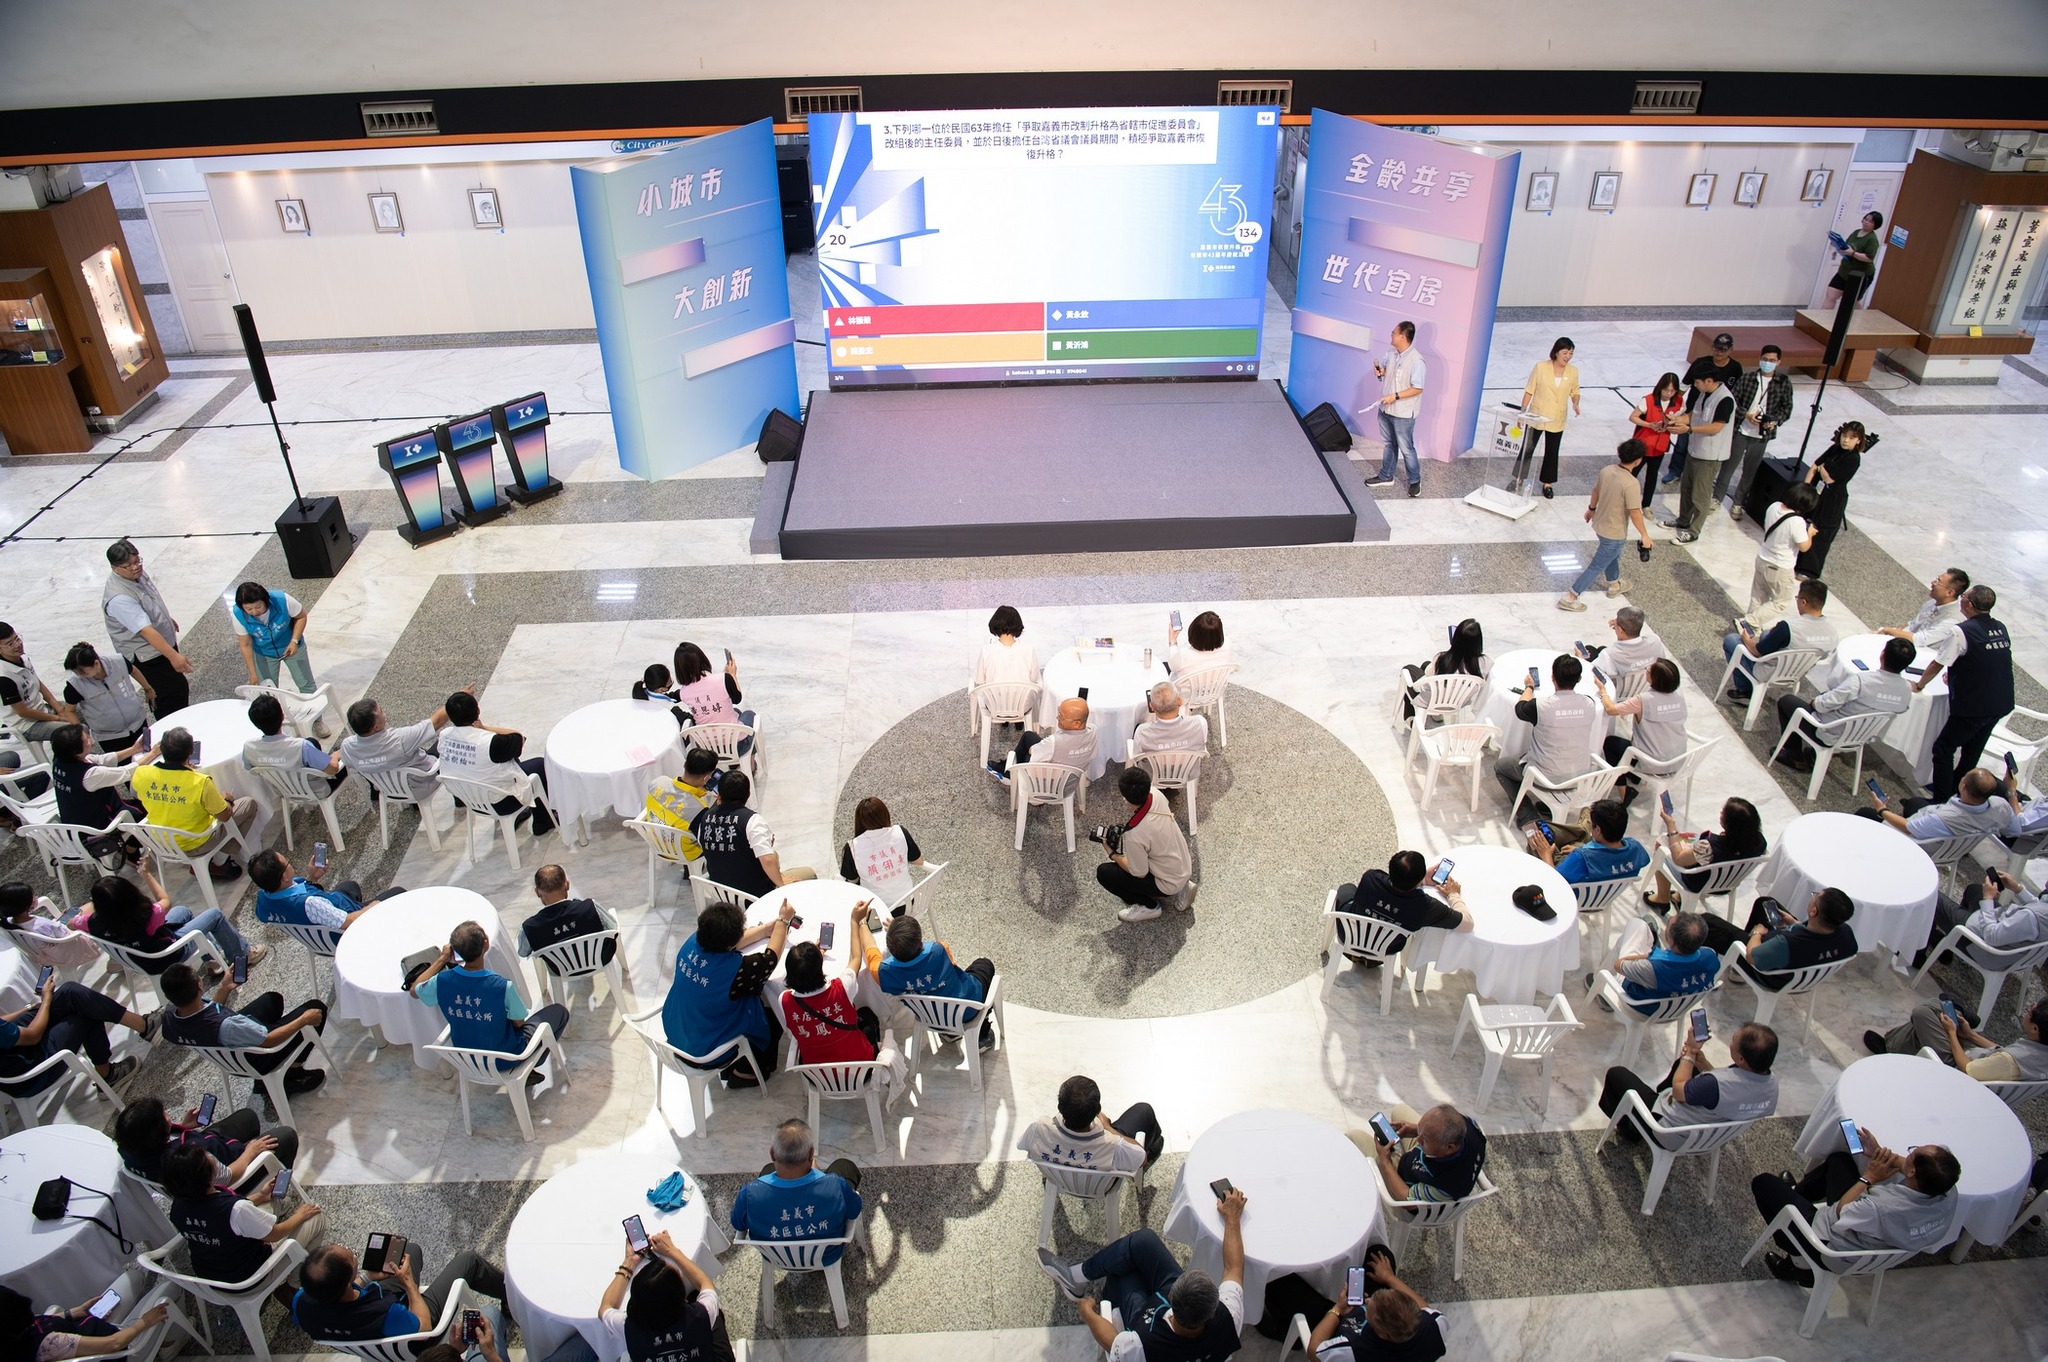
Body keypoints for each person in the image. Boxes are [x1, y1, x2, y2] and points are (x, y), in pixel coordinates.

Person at [1039, 1186, 1247, 1362]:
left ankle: (1077, 1279)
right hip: (1180, 1321)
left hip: (1144, 1317)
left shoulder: (1141, 1347)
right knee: (1143, 1241)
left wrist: (1088, 1313)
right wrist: (1232, 1219)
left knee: (1121, 1272)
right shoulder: (1229, 1316)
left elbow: (1112, 1342)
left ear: (1170, 1297)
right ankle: (1076, 1276)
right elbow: (1234, 1268)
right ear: (1213, 1308)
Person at [1749, 1135, 1958, 1285]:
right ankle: (1797, 1195)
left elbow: (1841, 1212)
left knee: (1763, 1183)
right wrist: (1879, 1153)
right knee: (1839, 1161)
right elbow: (1909, 1167)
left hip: (1831, 1245)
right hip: (1872, 1240)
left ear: (1912, 1173)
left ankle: (1797, 1264)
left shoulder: (1879, 1209)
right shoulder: (1947, 1190)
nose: (1909, 1153)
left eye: (1913, 1152)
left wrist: (1869, 1177)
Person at [410, 920, 570, 1066]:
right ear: (485, 943)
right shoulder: (502, 986)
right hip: (506, 1058)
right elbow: (519, 1023)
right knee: (559, 1012)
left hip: (469, 1059)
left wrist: (442, 959)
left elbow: (414, 990)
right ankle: (529, 1065)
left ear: (454, 951)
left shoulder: (441, 981)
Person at [661, 899, 788, 1083]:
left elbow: (730, 943)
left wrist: (764, 930)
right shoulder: (735, 970)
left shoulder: (693, 942)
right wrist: (783, 921)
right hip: (704, 1049)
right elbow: (770, 959)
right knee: (772, 1015)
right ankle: (745, 1072)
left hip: (677, 1029)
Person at [161, 1141, 323, 1283]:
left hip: (211, 1277)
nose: (211, 1157)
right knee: (316, 1217)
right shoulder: (237, 1209)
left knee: (272, 1202)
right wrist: (300, 1216)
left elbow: (220, 1218)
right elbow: (275, 1234)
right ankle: (294, 1281)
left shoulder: (177, 1208)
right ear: (209, 1173)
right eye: (207, 1157)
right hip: (252, 1277)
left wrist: (260, 1196)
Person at [293, 1239, 508, 1343]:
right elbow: (423, 1328)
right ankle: (511, 1300)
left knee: (409, 1251)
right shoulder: (384, 1313)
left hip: (364, 1335)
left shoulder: (301, 1301)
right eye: (353, 1257)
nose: (353, 1253)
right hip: (420, 1326)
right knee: (470, 1261)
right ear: (348, 1278)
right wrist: (408, 1284)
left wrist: (367, 1278)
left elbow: (340, 1301)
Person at [161, 960, 328, 1095]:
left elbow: (204, 1020)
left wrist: (225, 987)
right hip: (253, 1059)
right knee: (316, 1008)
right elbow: (269, 1041)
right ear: (200, 986)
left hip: (226, 1051)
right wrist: (303, 1020)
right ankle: (292, 1075)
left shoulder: (169, 1018)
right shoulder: (229, 1025)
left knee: (273, 1000)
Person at [1599, 1021, 1780, 1145]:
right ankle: (1655, 1098)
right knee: (1685, 1066)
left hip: (1670, 1131)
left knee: (1617, 1074)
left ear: (1740, 1059)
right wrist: (1702, 1063)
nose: (1730, 1044)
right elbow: (1728, 1089)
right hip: (1711, 1133)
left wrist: (1690, 1053)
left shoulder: (1712, 1085)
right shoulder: (1771, 1085)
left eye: (1733, 1041)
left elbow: (1679, 1091)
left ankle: (1631, 1131)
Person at [1919, 585, 2014, 804]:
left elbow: (1937, 663)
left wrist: (1920, 684)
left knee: (1943, 748)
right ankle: (1958, 792)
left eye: (1963, 597)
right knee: (1972, 750)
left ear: (1969, 604)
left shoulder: (1961, 631)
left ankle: (1941, 801)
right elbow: (1987, 661)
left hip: (1974, 706)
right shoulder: (2000, 628)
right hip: (2001, 702)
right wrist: (1958, 674)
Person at [132, 726, 261, 881]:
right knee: (248, 804)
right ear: (191, 751)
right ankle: (220, 861)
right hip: (196, 843)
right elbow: (225, 816)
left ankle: (216, 860)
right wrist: (226, 799)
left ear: (162, 750)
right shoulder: (199, 782)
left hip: (162, 842)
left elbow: (137, 794)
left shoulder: (142, 773)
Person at [79, 868, 260, 977]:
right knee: (215, 915)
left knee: (182, 912)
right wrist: (146, 873)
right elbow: (164, 900)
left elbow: (73, 921)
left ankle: (212, 961)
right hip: (169, 954)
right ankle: (242, 956)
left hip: (140, 961)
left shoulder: (91, 923)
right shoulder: (147, 915)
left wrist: (100, 901)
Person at [728, 1119, 863, 1262]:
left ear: (772, 1153)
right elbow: (854, 1210)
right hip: (827, 1255)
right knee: (844, 1166)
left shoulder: (749, 1193)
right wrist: (819, 1176)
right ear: (811, 1154)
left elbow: (738, 1224)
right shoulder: (836, 1185)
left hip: (775, 1257)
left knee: (768, 1169)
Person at [779, 937, 903, 1092]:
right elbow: (855, 958)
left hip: (817, 1077)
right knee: (866, 1014)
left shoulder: (784, 1000)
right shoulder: (841, 988)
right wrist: (855, 924)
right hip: (861, 1071)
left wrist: (809, 963)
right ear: (820, 968)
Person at [1774, 634, 1914, 771]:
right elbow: (1900, 708)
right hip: (1860, 736)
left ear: (1882, 655)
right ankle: (1813, 756)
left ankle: (1795, 756)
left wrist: (1814, 702)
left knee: (1787, 701)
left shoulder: (1861, 682)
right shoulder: (1906, 690)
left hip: (1829, 731)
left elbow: (1823, 705)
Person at [597, 1226, 733, 1362]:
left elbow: (605, 1309)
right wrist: (672, 1251)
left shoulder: (627, 1326)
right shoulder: (702, 1314)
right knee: (704, 1303)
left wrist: (630, 1261)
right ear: (681, 1296)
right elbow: (705, 1284)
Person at [859, 913, 997, 1047]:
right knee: (984, 964)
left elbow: (871, 953)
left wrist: (862, 923)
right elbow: (941, 955)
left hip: (931, 1019)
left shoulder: (885, 973)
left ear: (890, 949)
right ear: (920, 943)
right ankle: (982, 1035)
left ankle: (949, 1034)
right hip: (969, 1009)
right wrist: (905, 937)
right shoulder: (940, 949)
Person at [0, 972, 153, 1092]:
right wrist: (46, 999)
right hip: (29, 1072)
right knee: (85, 1012)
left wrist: (30, 1007)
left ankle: (144, 1025)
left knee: (70, 992)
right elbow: (33, 1035)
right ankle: (108, 1074)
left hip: (14, 1049)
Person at [1493, 653, 1600, 819]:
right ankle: (1546, 807)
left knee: (1501, 767)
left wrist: (1529, 687)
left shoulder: (1541, 706)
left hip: (1545, 776)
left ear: (1552, 678)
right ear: (1579, 679)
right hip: (1580, 774)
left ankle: (1527, 814)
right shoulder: (1590, 703)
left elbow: (1520, 708)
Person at [438, 690, 555, 836]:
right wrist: (484, 728)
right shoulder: (491, 742)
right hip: (500, 803)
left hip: (469, 799)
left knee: (509, 758)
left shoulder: (444, 736)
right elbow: (519, 737)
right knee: (539, 764)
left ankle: (527, 816)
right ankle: (542, 822)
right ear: (478, 710)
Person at [115, 1093, 300, 1185]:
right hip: (226, 1171)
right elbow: (228, 1177)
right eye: (164, 1116)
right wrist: (250, 1152)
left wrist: (184, 1127)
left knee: (248, 1117)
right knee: (288, 1136)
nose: (167, 1114)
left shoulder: (130, 1151)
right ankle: (277, 1189)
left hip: (208, 1148)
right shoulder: (192, 1157)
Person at [1558, 439, 1654, 612]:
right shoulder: (1631, 483)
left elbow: (1596, 491)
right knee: (1597, 565)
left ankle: (1614, 585)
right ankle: (1570, 597)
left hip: (1600, 524)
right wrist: (1645, 535)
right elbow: (1634, 512)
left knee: (1611, 555)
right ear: (1638, 460)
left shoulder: (1607, 470)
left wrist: (1591, 509)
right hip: (1614, 531)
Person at [101, 539, 190, 718]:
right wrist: (174, 656)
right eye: (128, 565)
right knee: (170, 693)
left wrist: (165, 620)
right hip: (147, 655)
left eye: (137, 561)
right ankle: (170, 728)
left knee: (177, 689)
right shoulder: (119, 598)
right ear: (115, 568)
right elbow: (145, 630)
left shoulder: (135, 574)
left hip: (160, 641)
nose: (136, 567)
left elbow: (150, 599)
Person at [1094, 766, 1194, 923]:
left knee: (1104, 873)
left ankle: (1149, 906)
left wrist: (1113, 854)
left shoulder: (1135, 834)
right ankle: (1183, 886)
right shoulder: (1157, 794)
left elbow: (1139, 873)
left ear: (1125, 798)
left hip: (1167, 882)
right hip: (1183, 864)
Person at [1865, 997, 2048, 1083]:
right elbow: (2000, 1052)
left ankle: (1890, 1048)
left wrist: (1952, 1034)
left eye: (2029, 1011)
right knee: (1940, 1015)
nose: (2026, 1011)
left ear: (2035, 1028)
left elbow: (1967, 1069)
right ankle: (1956, 1009)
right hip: (1978, 1063)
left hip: (1955, 1071)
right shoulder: (2038, 1053)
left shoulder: (2011, 1060)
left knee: (1924, 1013)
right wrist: (1971, 1035)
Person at [689, 770, 812, 898]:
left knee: (772, 854)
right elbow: (768, 860)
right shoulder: (752, 821)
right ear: (748, 794)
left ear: (719, 794)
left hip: (721, 893)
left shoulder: (705, 817)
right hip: (755, 895)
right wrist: (781, 883)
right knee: (809, 873)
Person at [1701, 887, 1857, 987]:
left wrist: (1757, 933)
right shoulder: (1847, 934)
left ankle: (1713, 970)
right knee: (1765, 903)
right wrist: (1795, 924)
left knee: (1707, 921)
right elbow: (1816, 942)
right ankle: (1736, 970)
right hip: (1801, 972)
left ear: (1813, 911)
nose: (1813, 897)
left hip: (1772, 975)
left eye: (1815, 896)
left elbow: (1751, 956)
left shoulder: (1787, 943)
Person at [1332, 849, 1471, 957]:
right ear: (1419, 879)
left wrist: (1419, 880)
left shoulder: (1371, 878)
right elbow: (1467, 924)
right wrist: (1453, 894)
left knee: (1347, 888)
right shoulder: (1424, 906)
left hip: (1348, 936)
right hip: (1387, 949)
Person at [1018, 1073, 1164, 1172]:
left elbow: (1021, 1144)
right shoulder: (1113, 1145)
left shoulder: (1038, 1129)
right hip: (1103, 1186)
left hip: (1058, 1179)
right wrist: (1108, 1128)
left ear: (1060, 1107)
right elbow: (1141, 1159)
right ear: (1098, 1111)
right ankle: (1153, 1147)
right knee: (1144, 1110)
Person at [1722, 578, 1837, 701]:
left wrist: (1746, 639)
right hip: (1796, 672)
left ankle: (1745, 691)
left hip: (1770, 672)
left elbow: (1756, 652)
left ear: (1803, 602)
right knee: (1767, 634)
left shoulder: (1788, 627)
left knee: (1731, 640)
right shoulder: (1832, 632)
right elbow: (1823, 655)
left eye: (1797, 598)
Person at [1645, 797, 1768, 911]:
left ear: (1729, 823)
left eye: (1723, 813)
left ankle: (1662, 898)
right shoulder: (1760, 842)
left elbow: (1678, 859)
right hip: (1727, 884)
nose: (1721, 813)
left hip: (1698, 883)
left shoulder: (1708, 847)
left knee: (1661, 847)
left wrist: (1671, 825)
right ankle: (1678, 897)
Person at [1716, 344, 1795, 518]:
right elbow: (1733, 400)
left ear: (1778, 362)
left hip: (1761, 435)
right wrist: (1746, 414)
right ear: (1760, 359)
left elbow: (1787, 408)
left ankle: (1738, 503)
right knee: (1728, 467)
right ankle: (1716, 498)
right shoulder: (1748, 378)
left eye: (1772, 360)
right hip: (1741, 430)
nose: (1768, 363)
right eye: (1765, 359)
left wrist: (1774, 421)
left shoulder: (1783, 383)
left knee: (1749, 472)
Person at [1915, 866, 2048, 969]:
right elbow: (2039, 905)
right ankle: (1950, 941)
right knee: (1974, 890)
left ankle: (1918, 955)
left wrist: (1988, 899)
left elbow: (1991, 936)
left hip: (1984, 947)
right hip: (2006, 935)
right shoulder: (2039, 913)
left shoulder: (2030, 917)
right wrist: (2018, 888)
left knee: (1931, 897)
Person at [1352, 1103, 1488, 1203]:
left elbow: (1405, 1197)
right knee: (1399, 1109)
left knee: (1355, 1137)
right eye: (1420, 1133)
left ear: (1449, 1147)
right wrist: (1415, 1129)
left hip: (1406, 1184)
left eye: (1425, 1139)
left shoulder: (1444, 1185)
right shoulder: (1469, 1125)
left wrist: (1385, 1161)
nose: (1418, 1139)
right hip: (1425, 1156)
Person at [1590, 910, 1720, 1014]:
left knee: (1636, 925)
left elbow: (1618, 964)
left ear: (1672, 941)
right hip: (1675, 1008)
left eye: (1668, 924)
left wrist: (1649, 955)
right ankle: (1652, 942)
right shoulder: (1710, 956)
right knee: (1639, 930)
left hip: (1639, 1006)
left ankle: (1600, 986)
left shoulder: (1653, 968)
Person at [0, 1284, 170, 1362]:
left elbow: (42, 1320)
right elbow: (114, 1343)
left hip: (96, 1331)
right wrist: (145, 1321)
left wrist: (76, 1312)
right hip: (126, 1350)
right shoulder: (51, 1343)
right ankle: (169, 1347)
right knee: (167, 1288)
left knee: (134, 1277)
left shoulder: (13, 1336)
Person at [1661, 333, 1742, 488]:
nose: (1719, 352)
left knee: (1705, 449)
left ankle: (1703, 476)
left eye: (1723, 350)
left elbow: (1717, 425)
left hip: (1715, 414)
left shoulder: (1734, 370)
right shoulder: (1700, 364)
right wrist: (1675, 409)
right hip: (1694, 411)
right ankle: (1676, 471)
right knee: (1682, 444)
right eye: (1716, 348)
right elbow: (1684, 385)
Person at [340, 690, 462, 792]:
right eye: (381, 712)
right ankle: (459, 798)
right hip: (421, 785)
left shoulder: (347, 747)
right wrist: (457, 699)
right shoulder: (400, 739)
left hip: (387, 788)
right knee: (447, 741)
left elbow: (351, 764)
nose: (384, 714)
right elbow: (436, 722)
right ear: (375, 727)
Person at [252, 848, 398, 932]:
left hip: (317, 928)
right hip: (345, 931)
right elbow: (349, 921)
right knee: (397, 893)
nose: (290, 864)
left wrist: (312, 878)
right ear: (284, 877)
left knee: (349, 886)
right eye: (287, 863)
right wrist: (373, 907)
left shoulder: (263, 900)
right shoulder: (310, 904)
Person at [1666, 368, 1736, 543]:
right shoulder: (1703, 394)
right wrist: (1677, 420)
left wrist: (1689, 429)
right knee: (1687, 488)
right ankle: (1683, 520)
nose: (1695, 385)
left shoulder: (1725, 399)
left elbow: (1716, 427)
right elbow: (1693, 415)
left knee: (1700, 495)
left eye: (1697, 382)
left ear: (1709, 381)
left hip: (1710, 455)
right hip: (1695, 449)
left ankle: (1694, 531)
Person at [47, 722, 149, 838]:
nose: (91, 741)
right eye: (87, 740)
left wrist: (133, 749)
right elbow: (126, 773)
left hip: (75, 818)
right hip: (97, 826)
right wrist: (153, 753)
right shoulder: (89, 775)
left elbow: (101, 760)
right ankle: (134, 846)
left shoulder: (60, 759)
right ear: (77, 752)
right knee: (151, 811)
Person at [1796, 422, 1869, 579]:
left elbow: (1829, 479)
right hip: (1818, 493)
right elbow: (1814, 466)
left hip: (1833, 500)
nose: (1846, 440)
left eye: (1851, 438)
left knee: (1821, 534)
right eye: (1844, 436)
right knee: (1805, 523)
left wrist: (1822, 468)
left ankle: (1808, 570)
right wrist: (1805, 488)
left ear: (1858, 440)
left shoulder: (1853, 459)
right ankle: (1796, 559)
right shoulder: (1835, 448)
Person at [1864, 766, 2016, 841]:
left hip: (1916, 840)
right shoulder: (2001, 805)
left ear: (1963, 786)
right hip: (1954, 840)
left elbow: (1908, 828)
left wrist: (1882, 810)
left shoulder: (1942, 818)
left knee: (1865, 813)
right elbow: (2014, 830)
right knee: (1915, 803)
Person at [1592, 657, 1687, 777]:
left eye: (1648, 670)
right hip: (1678, 759)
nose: (1646, 670)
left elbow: (1611, 709)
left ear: (1655, 678)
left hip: (1652, 763)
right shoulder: (1679, 695)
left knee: (1610, 743)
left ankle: (1623, 786)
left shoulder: (1643, 700)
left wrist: (1603, 691)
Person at [1363, 320, 1427, 496]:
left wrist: (1395, 396)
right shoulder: (1391, 352)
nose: (1391, 335)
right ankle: (1386, 476)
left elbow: (1418, 388)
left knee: (1407, 448)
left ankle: (1414, 481)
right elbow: (1386, 370)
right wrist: (1381, 371)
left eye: (1394, 333)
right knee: (1389, 444)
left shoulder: (1417, 361)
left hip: (1403, 413)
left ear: (1403, 337)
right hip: (1386, 408)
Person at [518, 864, 618, 972]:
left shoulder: (530, 927)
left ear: (537, 892)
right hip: (601, 959)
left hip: (560, 970)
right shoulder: (590, 907)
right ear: (567, 885)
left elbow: (523, 953)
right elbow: (613, 927)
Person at [1528, 798, 1648, 885]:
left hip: (1573, 897)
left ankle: (1583, 828)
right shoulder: (1636, 848)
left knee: (1538, 840)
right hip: (1602, 896)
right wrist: (1583, 850)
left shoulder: (1580, 859)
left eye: (1592, 825)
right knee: (1581, 826)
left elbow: (1557, 883)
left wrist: (1546, 854)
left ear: (1598, 830)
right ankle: (1584, 827)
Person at [1516, 337, 1580, 498]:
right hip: (1537, 415)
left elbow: (1575, 391)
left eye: (1571, 353)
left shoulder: (1573, 371)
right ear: (1556, 352)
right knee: (1527, 448)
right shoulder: (1541, 367)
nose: (1568, 357)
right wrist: (1522, 413)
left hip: (1557, 417)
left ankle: (1547, 483)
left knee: (1552, 451)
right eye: (1565, 353)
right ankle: (1519, 478)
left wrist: (1575, 402)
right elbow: (1529, 390)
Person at [241, 692, 345, 791]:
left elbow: (250, 768)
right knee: (343, 753)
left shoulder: (249, 747)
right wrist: (337, 754)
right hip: (316, 789)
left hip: (283, 790)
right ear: (282, 716)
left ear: (256, 724)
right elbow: (333, 769)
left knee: (312, 742)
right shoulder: (301, 747)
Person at [0, 624, 77, 757]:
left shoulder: (23, 658)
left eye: (17, 638)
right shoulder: (4, 677)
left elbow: (38, 683)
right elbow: (23, 712)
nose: (18, 644)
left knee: (84, 709)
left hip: (43, 709)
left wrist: (59, 708)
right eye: (10, 644)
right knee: (75, 733)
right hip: (27, 724)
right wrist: (58, 718)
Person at [59, 643, 152, 752]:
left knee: (147, 753)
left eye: (83, 673)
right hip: (110, 737)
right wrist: (81, 733)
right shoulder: (74, 685)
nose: (80, 676)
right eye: (76, 673)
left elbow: (134, 670)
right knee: (124, 762)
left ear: (96, 663)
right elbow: (70, 711)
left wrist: (148, 689)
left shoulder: (118, 661)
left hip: (138, 721)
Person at [1747, 484, 1819, 621]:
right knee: (1780, 602)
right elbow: (1804, 547)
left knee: (1758, 597)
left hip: (1762, 558)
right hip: (1780, 566)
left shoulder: (1774, 506)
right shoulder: (1797, 521)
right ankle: (1750, 622)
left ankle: (1749, 628)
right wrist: (1810, 534)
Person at [838, 795, 926, 906]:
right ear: (885, 815)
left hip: (878, 910)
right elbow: (919, 861)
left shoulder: (852, 847)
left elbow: (852, 881)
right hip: (909, 904)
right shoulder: (900, 832)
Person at [230, 581, 315, 692]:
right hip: (264, 653)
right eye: (249, 609)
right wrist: (252, 673)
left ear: (265, 600)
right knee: (268, 690)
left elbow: (301, 616)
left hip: (291, 646)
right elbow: (245, 645)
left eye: (258, 607)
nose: (254, 612)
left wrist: (294, 641)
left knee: (306, 684)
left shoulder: (282, 600)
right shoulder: (238, 615)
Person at [671, 642, 755, 753]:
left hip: (707, 748)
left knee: (736, 712)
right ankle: (751, 760)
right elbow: (737, 699)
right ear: (702, 659)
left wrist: (727, 676)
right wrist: (732, 675)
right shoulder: (723, 679)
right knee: (749, 715)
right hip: (737, 746)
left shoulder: (683, 692)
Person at [1399, 619, 1487, 723]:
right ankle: (1437, 716)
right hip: (1459, 701)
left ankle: (1410, 718)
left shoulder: (1442, 659)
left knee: (1409, 669)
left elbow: (1428, 674)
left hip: (1433, 701)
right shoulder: (1485, 662)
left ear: (1455, 639)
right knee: (1425, 664)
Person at [997, 696, 1098, 783]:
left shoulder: (1054, 742)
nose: (1057, 717)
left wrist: (1036, 749)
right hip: (1072, 778)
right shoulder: (1094, 730)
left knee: (1026, 748)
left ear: (1077, 723)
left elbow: (1033, 752)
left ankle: (1009, 773)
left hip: (1046, 782)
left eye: (1061, 717)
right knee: (1029, 736)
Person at [644, 746, 719, 862]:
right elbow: (707, 837)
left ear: (685, 765)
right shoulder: (698, 810)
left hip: (656, 842)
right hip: (684, 852)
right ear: (706, 778)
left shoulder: (658, 782)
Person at [0, 882, 98, 969]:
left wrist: (59, 921)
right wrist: (75, 918)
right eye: (33, 895)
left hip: (49, 956)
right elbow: (64, 934)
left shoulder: (9, 922)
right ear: (27, 905)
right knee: (92, 906)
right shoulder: (40, 925)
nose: (36, 897)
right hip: (73, 947)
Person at [1879, 568, 1968, 652]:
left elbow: (1920, 640)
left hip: (1925, 653)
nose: (1932, 582)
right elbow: (1913, 626)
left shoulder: (1953, 620)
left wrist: (1887, 630)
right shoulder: (1934, 601)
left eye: (1938, 581)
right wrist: (1896, 631)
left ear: (1950, 592)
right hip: (1910, 642)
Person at [1627, 372, 1684, 500]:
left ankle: (1646, 504)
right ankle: (1624, 501)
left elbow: (1682, 418)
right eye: (1666, 390)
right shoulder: (1648, 400)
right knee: (1631, 474)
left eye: (1672, 391)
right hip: (1642, 445)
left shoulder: (1679, 402)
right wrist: (1649, 425)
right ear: (1660, 387)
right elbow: (1633, 417)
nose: (1668, 393)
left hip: (1659, 447)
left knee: (1652, 476)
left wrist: (1672, 425)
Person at [1824, 209, 1886, 308]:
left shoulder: (1872, 239)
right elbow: (1847, 245)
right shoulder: (1856, 232)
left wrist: (1852, 253)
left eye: (1870, 221)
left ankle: (1857, 317)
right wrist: (1838, 245)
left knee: (1853, 301)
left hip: (1859, 275)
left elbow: (1869, 258)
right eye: (1866, 219)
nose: (1866, 222)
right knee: (1831, 295)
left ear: (1875, 225)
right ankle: (1823, 317)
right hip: (1844, 270)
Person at [1586, 606, 1663, 682]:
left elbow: (1589, 674)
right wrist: (1619, 628)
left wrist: (1581, 659)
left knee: (1589, 650)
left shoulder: (1609, 655)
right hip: (1646, 684)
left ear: (1620, 630)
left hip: (1620, 688)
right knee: (1601, 648)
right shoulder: (1655, 640)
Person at [1129, 683, 1208, 756]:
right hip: (1189, 766)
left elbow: (1137, 755)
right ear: (1180, 701)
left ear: (1152, 706)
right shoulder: (1199, 723)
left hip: (1154, 767)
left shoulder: (1142, 733)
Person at [972, 605, 1039, 687]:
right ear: (1018, 625)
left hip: (994, 695)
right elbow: (1034, 679)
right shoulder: (1029, 650)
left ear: (994, 623)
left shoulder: (986, 650)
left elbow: (979, 680)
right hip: (1023, 695)